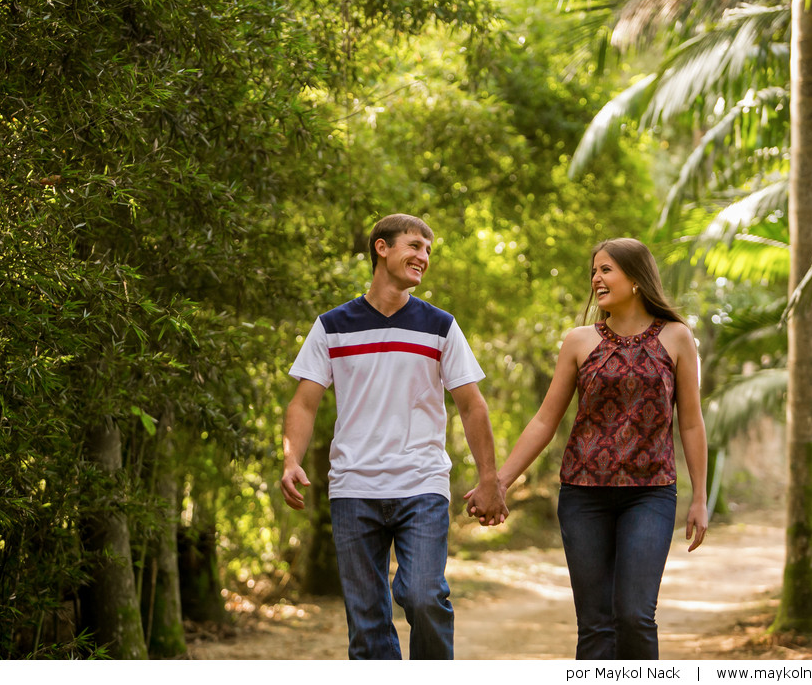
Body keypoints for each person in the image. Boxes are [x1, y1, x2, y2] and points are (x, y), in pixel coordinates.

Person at [467, 237, 708, 660]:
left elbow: (690, 421)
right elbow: (545, 420)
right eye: (593, 271)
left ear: (636, 279)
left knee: (634, 616)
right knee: (595, 626)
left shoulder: (677, 337)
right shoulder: (578, 341)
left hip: (650, 494)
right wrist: (499, 481)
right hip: (583, 495)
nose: (596, 278)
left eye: (606, 269)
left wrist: (700, 498)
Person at [280, 213, 507, 660]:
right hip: (353, 488)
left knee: (423, 595)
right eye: (414, 245)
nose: (423, 257)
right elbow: (304, 402)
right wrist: (291, 461)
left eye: (427, 250)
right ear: (381, 248)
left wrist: (488, 478)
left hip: (420, 484)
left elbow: (471, 404)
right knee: (366, 626)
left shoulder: (440, 326)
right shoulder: (332, 326)